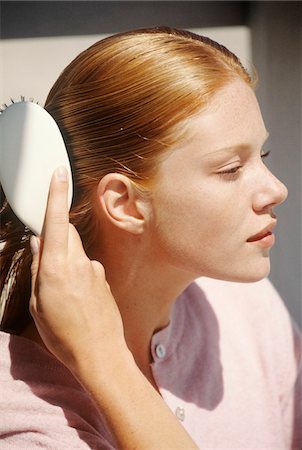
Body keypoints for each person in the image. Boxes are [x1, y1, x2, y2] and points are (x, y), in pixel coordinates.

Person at [0, 27, 301, 449]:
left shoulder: (245, 310)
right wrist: (105, 363)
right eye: (231, 169)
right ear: (123, 203)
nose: (276, 190)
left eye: (261, 156)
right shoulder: (25, 420)